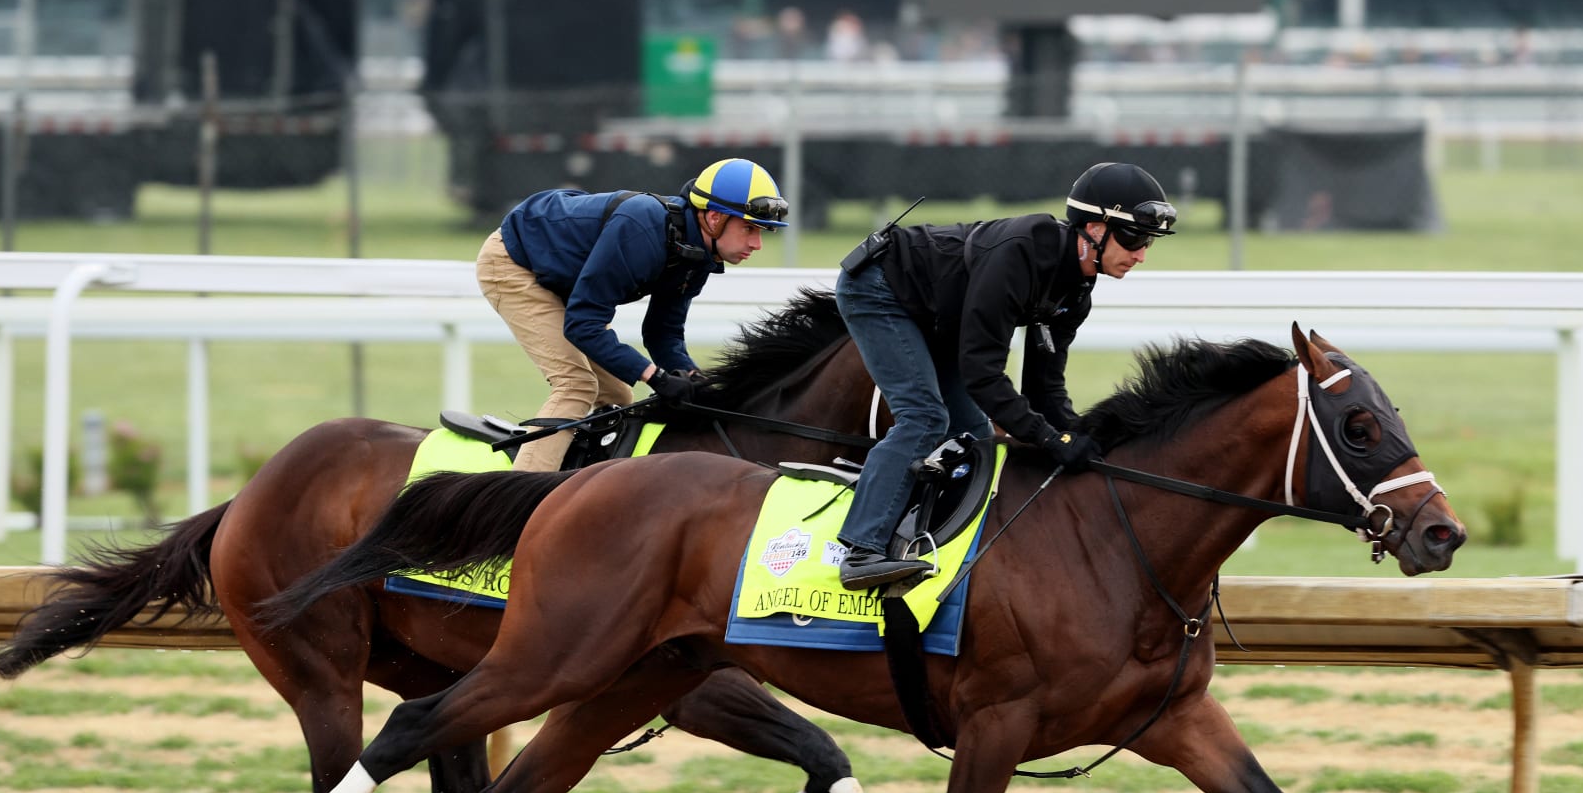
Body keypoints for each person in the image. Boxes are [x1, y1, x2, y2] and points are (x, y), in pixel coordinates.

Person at [832, 162, 1177, 589]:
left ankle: (933, 541)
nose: (1141, 253)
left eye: (1149, 242)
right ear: (1094, 228)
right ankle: (861, 550)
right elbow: (982, 375)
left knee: (978, 437)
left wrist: (1081, 438)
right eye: (1134, 237)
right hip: (879, 287)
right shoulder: (1019, 256)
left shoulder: (1076, 292)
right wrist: (1051, 440)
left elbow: (1043, 388)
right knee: (925, 418)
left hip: (937, 311)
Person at [476, 158, 790, 471]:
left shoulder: (698, 255)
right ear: (715, 217)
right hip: (514, 262)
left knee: (619, 396)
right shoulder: (642, 229)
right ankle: (522, 500)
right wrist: (656, 377)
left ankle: (582, 481)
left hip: (564, 276)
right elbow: (583, 325)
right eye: (749, 228)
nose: (757, 244)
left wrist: (694, 380)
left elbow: (662, 334)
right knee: (576, 385)